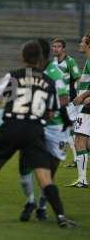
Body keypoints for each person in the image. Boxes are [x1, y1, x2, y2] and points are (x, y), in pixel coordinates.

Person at [0, 40, 76, 228]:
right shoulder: (48, 81)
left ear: (23, 56)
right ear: (40, 58)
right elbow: (51, 111)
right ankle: (60, 217)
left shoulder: (13, 75)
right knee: (45, 177)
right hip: (34, 130)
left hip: (12, 127)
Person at [19, 38, 71, 222]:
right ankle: (30, 201)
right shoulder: (30, 72)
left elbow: (64, 100)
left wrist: (47, 110)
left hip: (56, 128)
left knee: (50, 169)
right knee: (25, 164)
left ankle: (42, 205)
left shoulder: (55, 74)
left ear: (40, 55)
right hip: (34, 125)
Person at [52, 38, 81, 167]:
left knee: (68, 128)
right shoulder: (52, 63)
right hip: (58, 100)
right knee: (69, 129)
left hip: (69, 99)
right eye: (54, 46)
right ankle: (76, 158)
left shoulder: (70, 61)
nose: (55, 49)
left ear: (63, 48)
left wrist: (77, 96)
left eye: (58, 46)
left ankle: (75, 158)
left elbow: (78, 78)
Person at [66, 34, 90, 188]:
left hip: (87, 105)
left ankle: (82, 179)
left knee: (79, 139)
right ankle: (82, 179)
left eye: (82, 41)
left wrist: (84, 96)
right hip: (84, 104)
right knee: (84, 141)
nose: (80, 44)